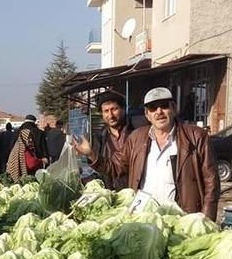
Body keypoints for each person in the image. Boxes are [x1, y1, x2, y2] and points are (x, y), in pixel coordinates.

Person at [73, 87, 220, 220]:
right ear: (147, 114)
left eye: (164, 106)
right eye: (152, 108)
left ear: (174, 108)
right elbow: (115, 167)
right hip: (144, 217)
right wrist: (91, 153)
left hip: (181, 217)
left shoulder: (196, 136)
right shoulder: (137, 137)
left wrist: (206, 218)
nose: (159, 112)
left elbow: (211, 181)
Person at [93, 91, 134, 190]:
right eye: (106, 111)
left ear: (123, 109)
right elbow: (101, 169)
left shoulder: (136, 131)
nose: (110, 115)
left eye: (114, 109)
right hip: (113, 193)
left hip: (136, 190)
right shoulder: (100, 137)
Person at [6, 114, 47, 180]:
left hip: (20, 165)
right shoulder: (39, 132)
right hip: (34, 166)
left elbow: (11, 147)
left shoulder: (17, 132)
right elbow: (43, 149)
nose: (30, 140)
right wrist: (43, 160)